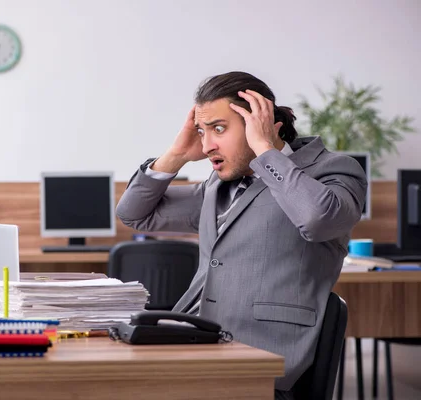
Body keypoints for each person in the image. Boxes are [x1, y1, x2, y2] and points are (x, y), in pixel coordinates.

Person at [116, 71, 367, 399]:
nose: (207, 146)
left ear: (260, 121)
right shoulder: (217, 186)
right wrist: (176, 154)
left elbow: (317, 219)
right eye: (201, 132)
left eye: (219, 129)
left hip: (263, 360)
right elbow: (134, 213)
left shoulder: (333, 170)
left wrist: (265, 151)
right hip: (191, 347)